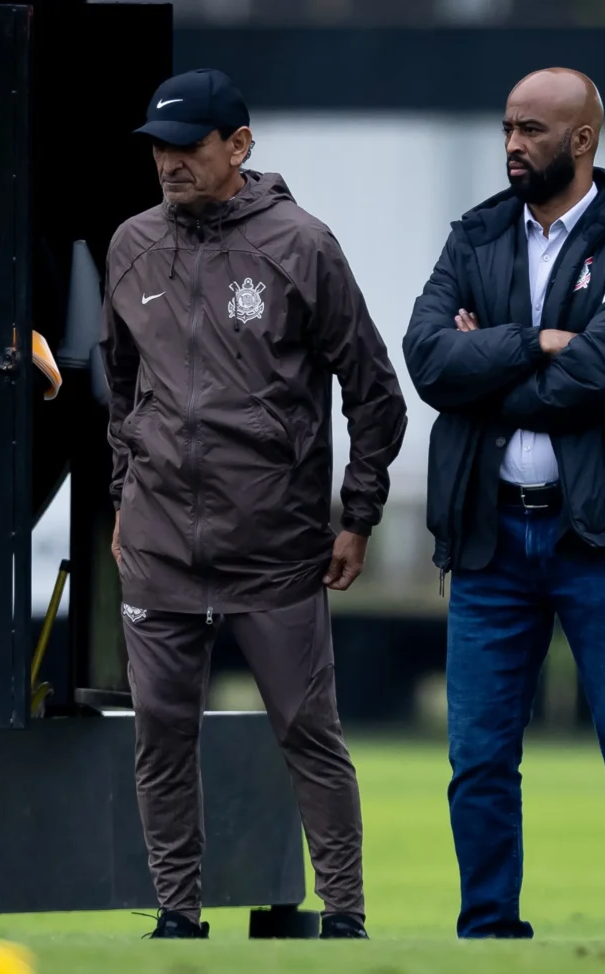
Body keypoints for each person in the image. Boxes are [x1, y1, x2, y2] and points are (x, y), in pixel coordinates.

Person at [101, 67, 407, 941]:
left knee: (308, 732)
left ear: (238, 146)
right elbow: (122, 390)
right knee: (161, 736)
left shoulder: (302, 244)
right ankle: (177, 915)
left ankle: (344, 913)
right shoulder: (130, 245)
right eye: (158, 147)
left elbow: (376, 392)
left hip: (275, 543)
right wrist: (126, 491)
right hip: (159, 542)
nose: (168, 163)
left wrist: (357, 515)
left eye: (187, 146)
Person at [401, 67, 605, 940]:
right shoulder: (475, 236)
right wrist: (537, 343)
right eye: (507, 128)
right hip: (489, 540)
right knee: (477, 759)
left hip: (598, 538)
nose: (513, 145)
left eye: (531, 129)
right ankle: (487, 932)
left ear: (583, 139)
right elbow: (425, 361)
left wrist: (489, 370)